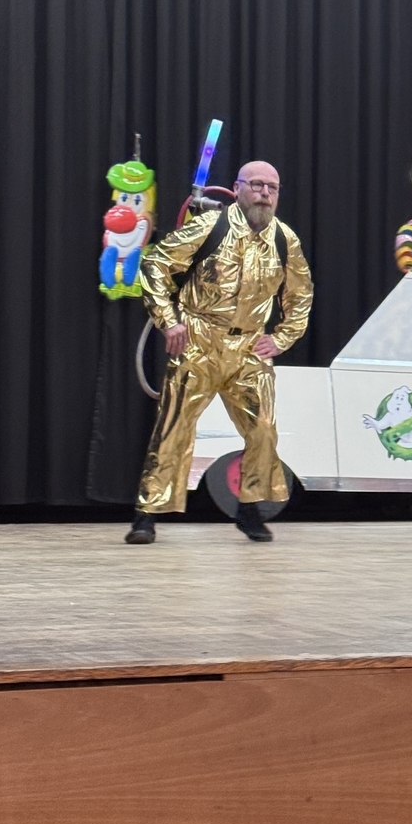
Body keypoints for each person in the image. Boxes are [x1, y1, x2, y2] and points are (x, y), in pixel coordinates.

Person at [125, 161, 313, 545]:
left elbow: (301, 294)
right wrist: (169, 321)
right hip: (199, 340)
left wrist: (282, 338)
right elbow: (155, 264)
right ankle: (147, 513)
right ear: (237, 188)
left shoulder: (284, 239)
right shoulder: (210, 226)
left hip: (249, 347)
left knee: (263, 429)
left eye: (272, 187)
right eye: (256, 185)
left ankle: (250, 508)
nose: (264, 193)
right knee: (174, 426)